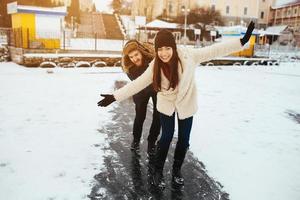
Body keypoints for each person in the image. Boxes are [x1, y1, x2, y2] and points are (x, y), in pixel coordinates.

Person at [98, 21, 255, 188]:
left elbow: (214, 50)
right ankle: (157, 170)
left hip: (186, 102)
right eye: (160, 49)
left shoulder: (189, 56)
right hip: (166, 103)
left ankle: (176, 170)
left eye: (167, 48)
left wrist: (242, 41)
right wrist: (115, 97)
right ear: (156, 50)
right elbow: (137, 84)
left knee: (184, 140)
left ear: (173, 47)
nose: (164, 53)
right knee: (166, 137)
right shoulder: (154, 66)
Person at [118, 40, 161, 155]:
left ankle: (152, 141)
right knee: (140, 116)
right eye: (131, 57)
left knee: (158, 115)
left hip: (155, 88)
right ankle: (136, 140)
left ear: (141, 52)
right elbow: (137, 83)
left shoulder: (152, 60)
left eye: (136, 55)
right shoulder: (129, 67)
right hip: (140, 90)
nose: (134, 59)